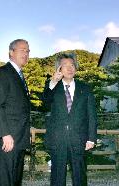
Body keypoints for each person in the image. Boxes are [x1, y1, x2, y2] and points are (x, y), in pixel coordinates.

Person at [42, 53, 97, 186]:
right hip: (57, 139)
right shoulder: (52, 87)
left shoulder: (85, 88)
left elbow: (91, 115)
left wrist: (91, 138)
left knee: (80, 177)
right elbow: (45, 103)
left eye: (72, 65)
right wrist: (53, 82)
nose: (69, 68)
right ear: (59, 69)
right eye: (65, 65)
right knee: (57, 178)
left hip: (79, 139)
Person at [0, 39, 31, 186]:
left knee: (15, 180)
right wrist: (5, 134)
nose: (26, 54)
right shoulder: (1, 73)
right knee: (6, 180)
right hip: (7, 140)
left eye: (28, 51)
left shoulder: (19, 75)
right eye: (22, 50)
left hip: (19, 138)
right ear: (11, 52)